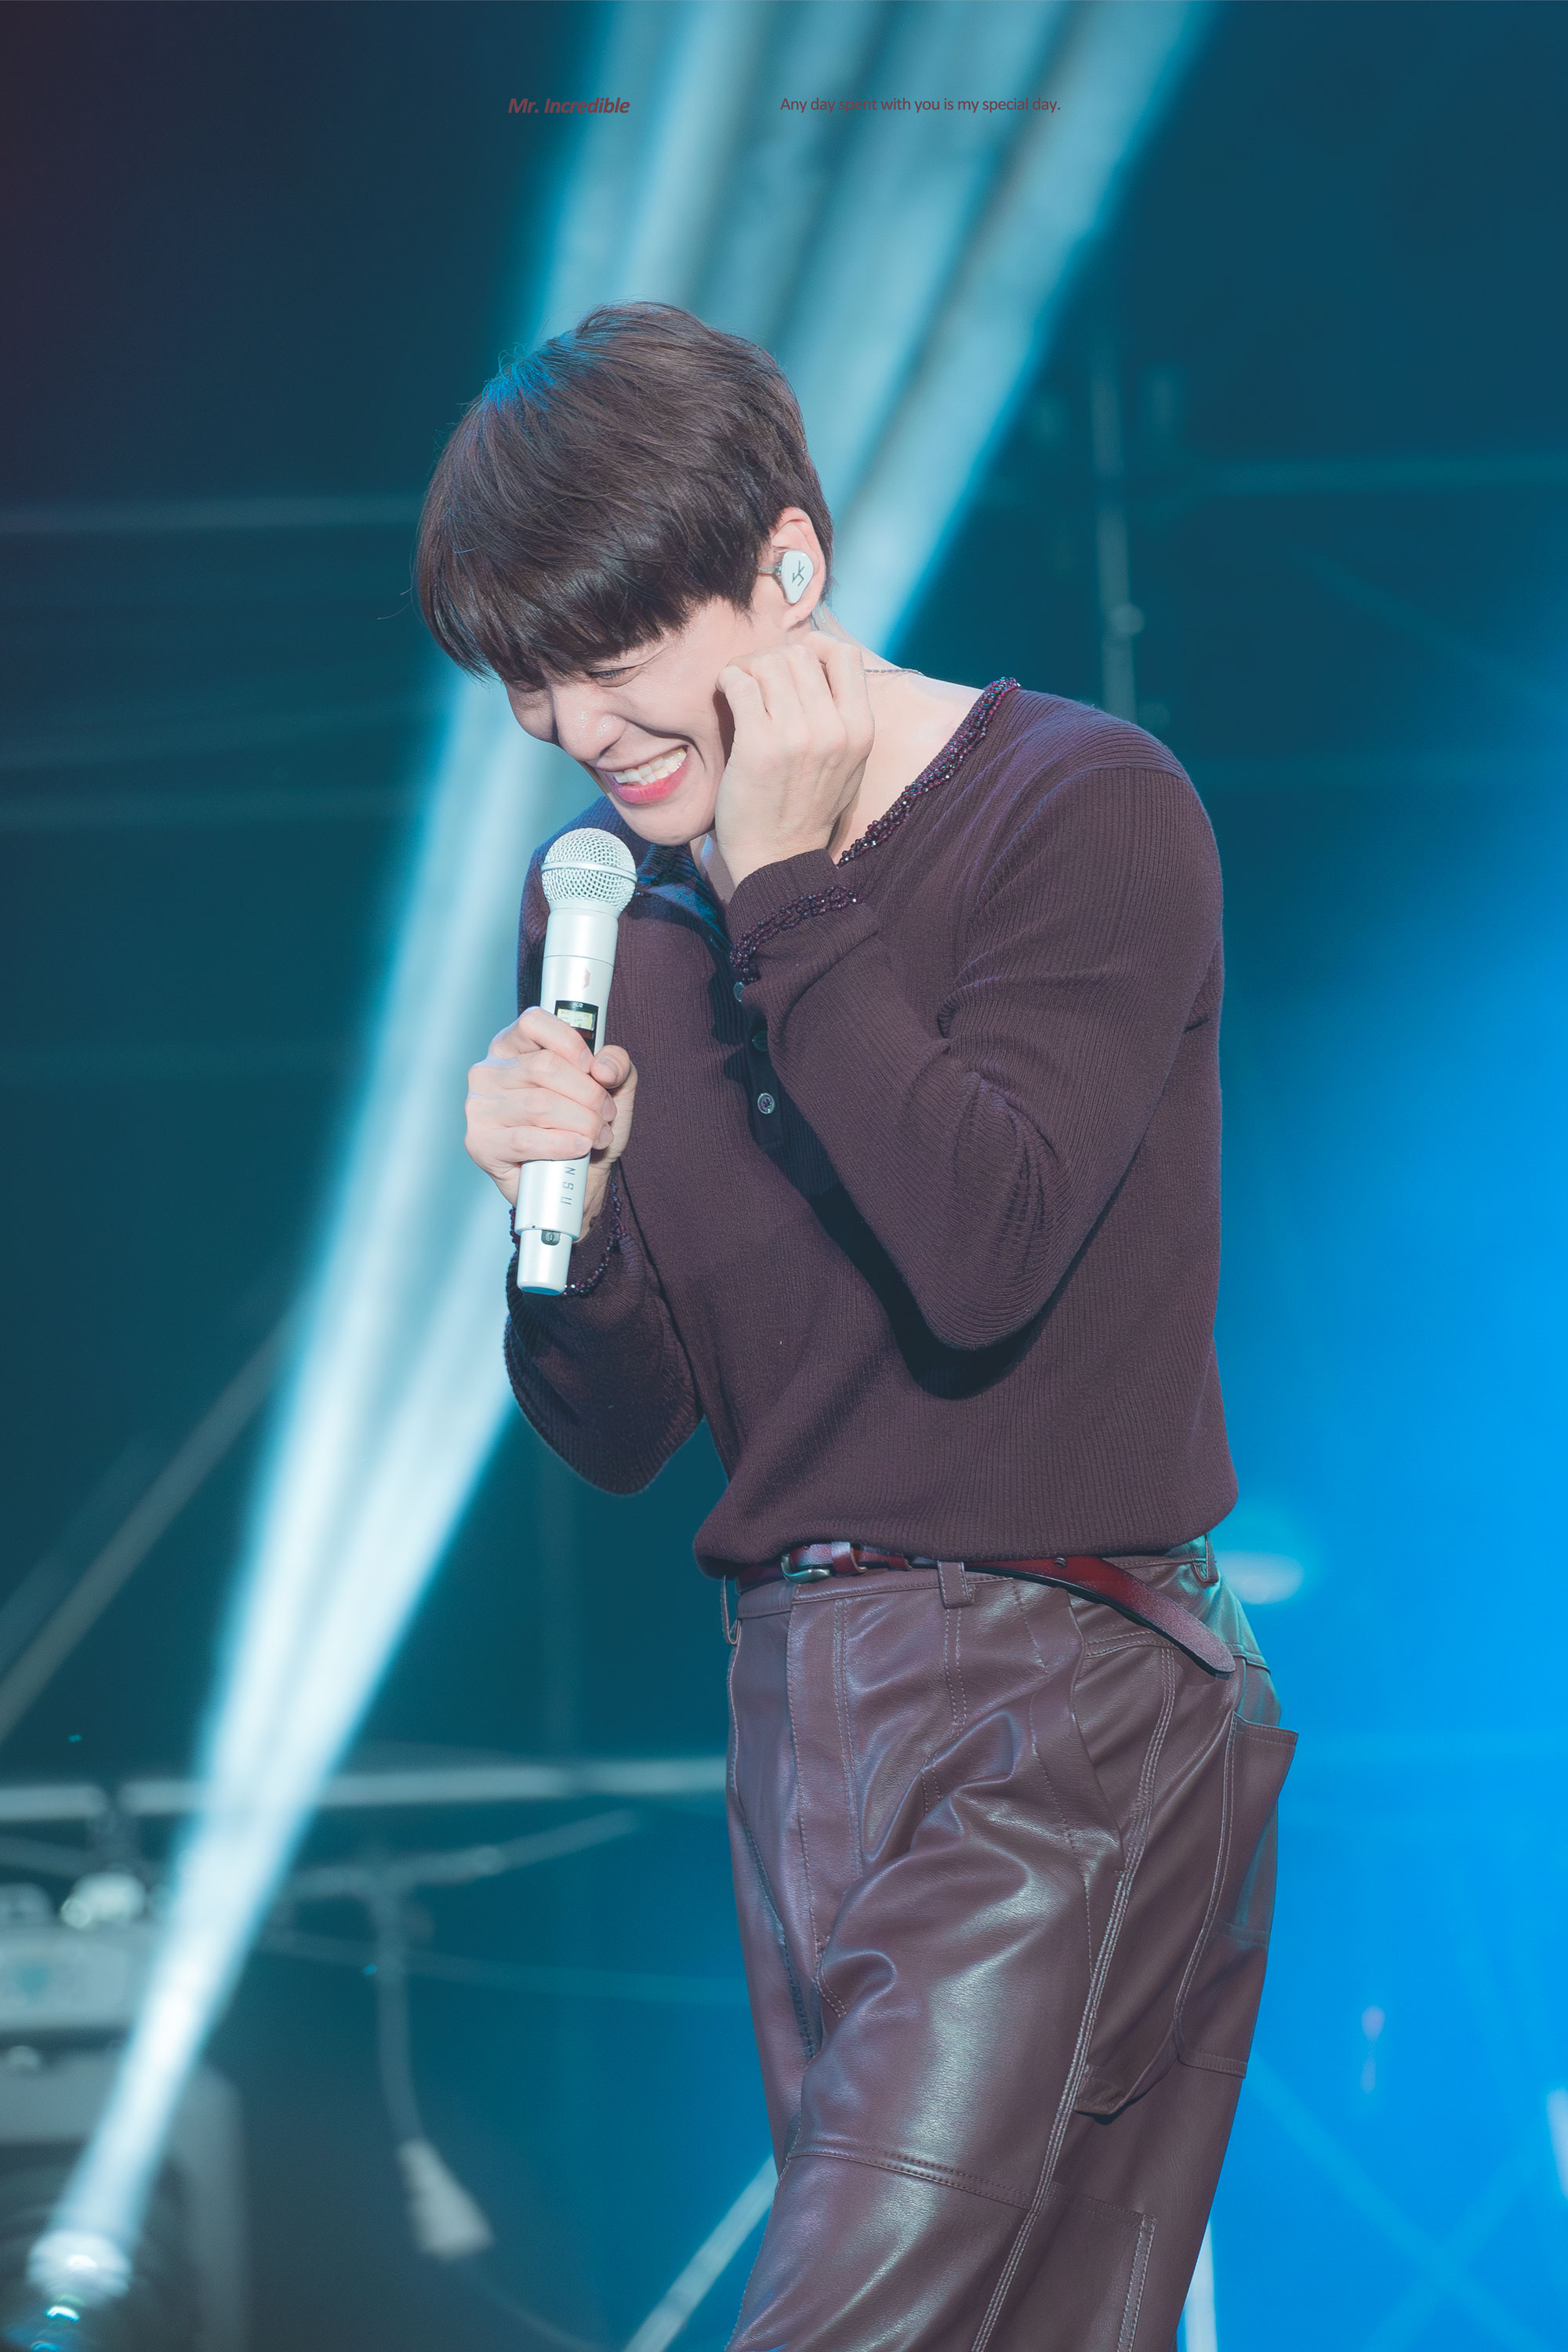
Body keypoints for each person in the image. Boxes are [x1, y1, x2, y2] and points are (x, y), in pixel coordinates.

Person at [416, 301, 1295, 2352]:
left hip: (1056, 1694)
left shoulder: (1080, 806)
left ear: (786, 570)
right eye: (528, 679)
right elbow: (626, 1427)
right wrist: (559, 1217)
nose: (572, 724)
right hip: (803, 1707)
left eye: (610, 655)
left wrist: (788, 892)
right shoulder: (616, 922)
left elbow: (984, 1249)